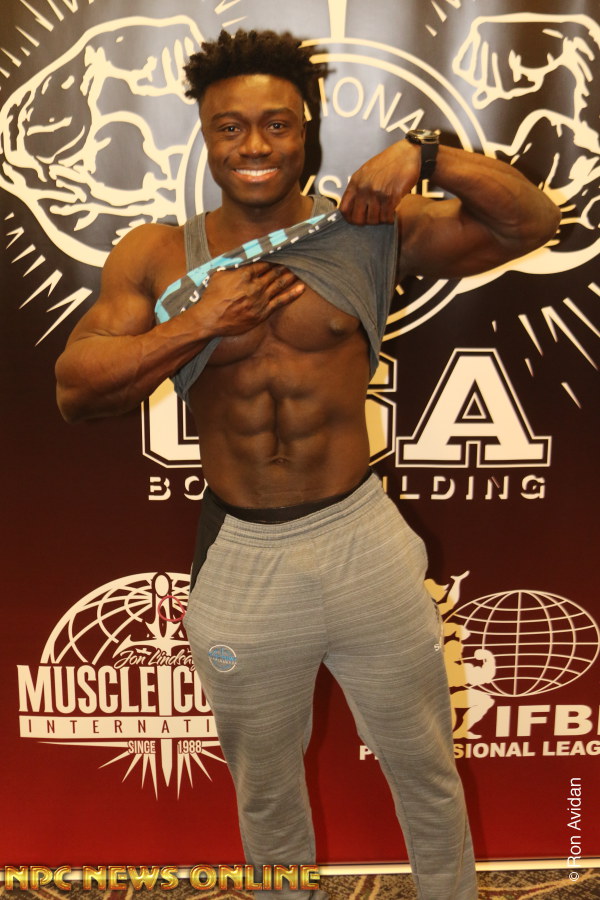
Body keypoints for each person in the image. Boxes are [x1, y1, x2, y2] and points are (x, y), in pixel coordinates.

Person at [55, 28, 560, 900]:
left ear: (307, 129)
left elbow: (531, 223)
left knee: (425, 770)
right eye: (231, 126)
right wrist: (198, 323)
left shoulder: (364, 232)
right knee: (267, 795)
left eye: (277, 124)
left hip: (362, 539)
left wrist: (428, 157)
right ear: (204, 135)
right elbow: (75, 389)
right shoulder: (158, 256)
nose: (254, 145)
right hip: (242, 557)